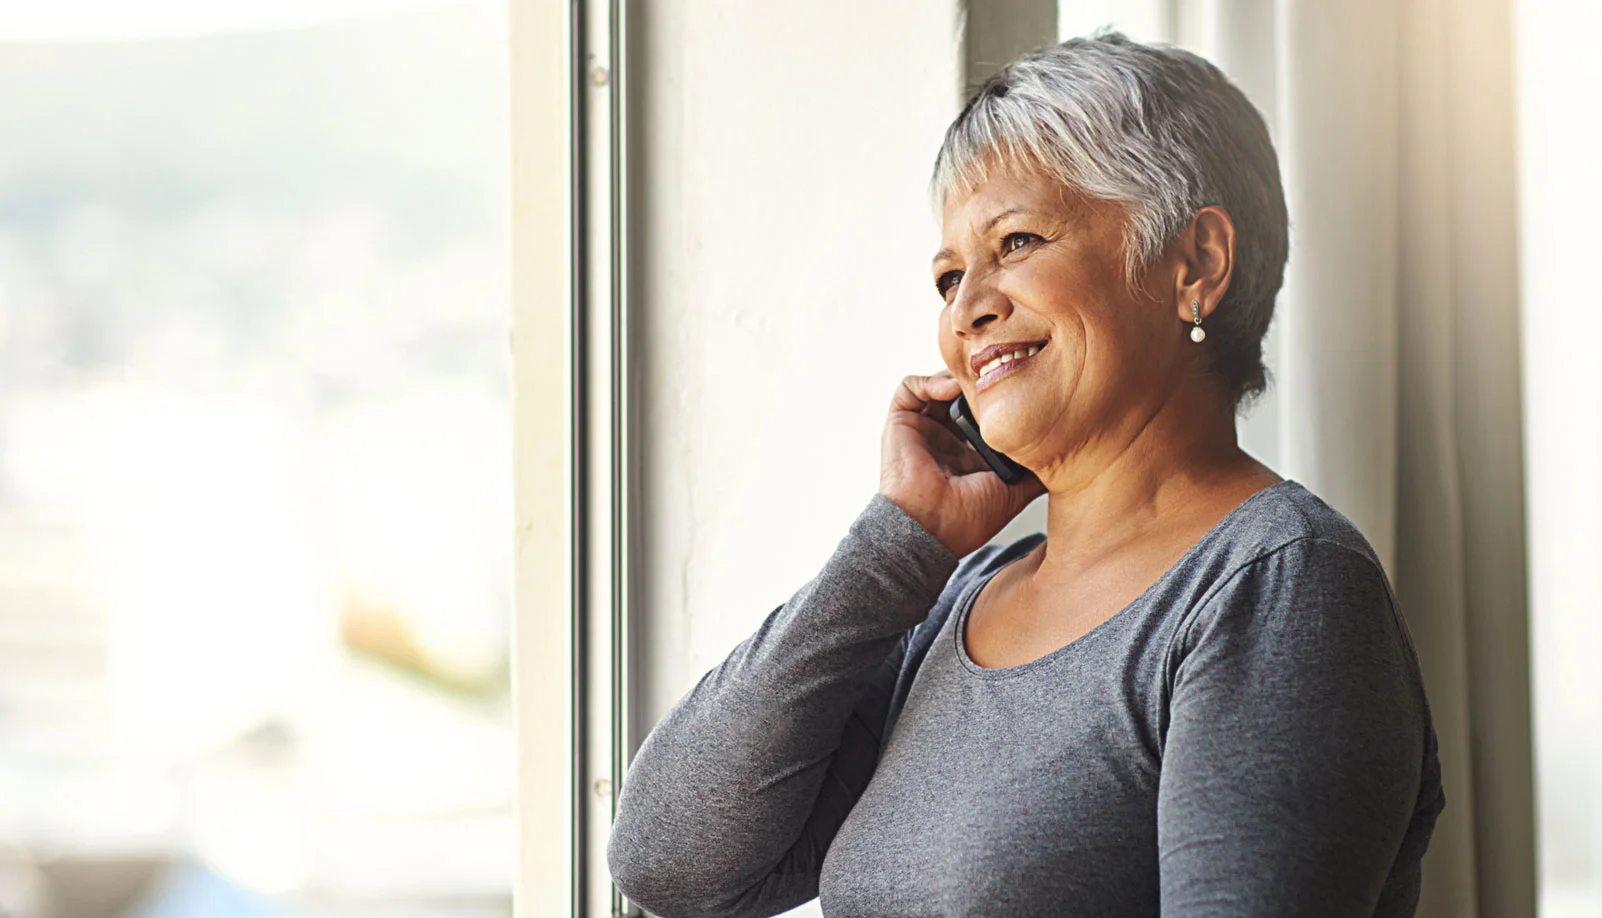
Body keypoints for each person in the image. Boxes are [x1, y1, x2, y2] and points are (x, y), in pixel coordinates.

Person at [606, 31, 1443, 918]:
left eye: (1017, 241)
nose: (968, 309)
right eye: (948, 276)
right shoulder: (959, 600)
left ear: (1195, 263)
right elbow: (668, 860)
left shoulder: (1279, 585)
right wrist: (901, 541)